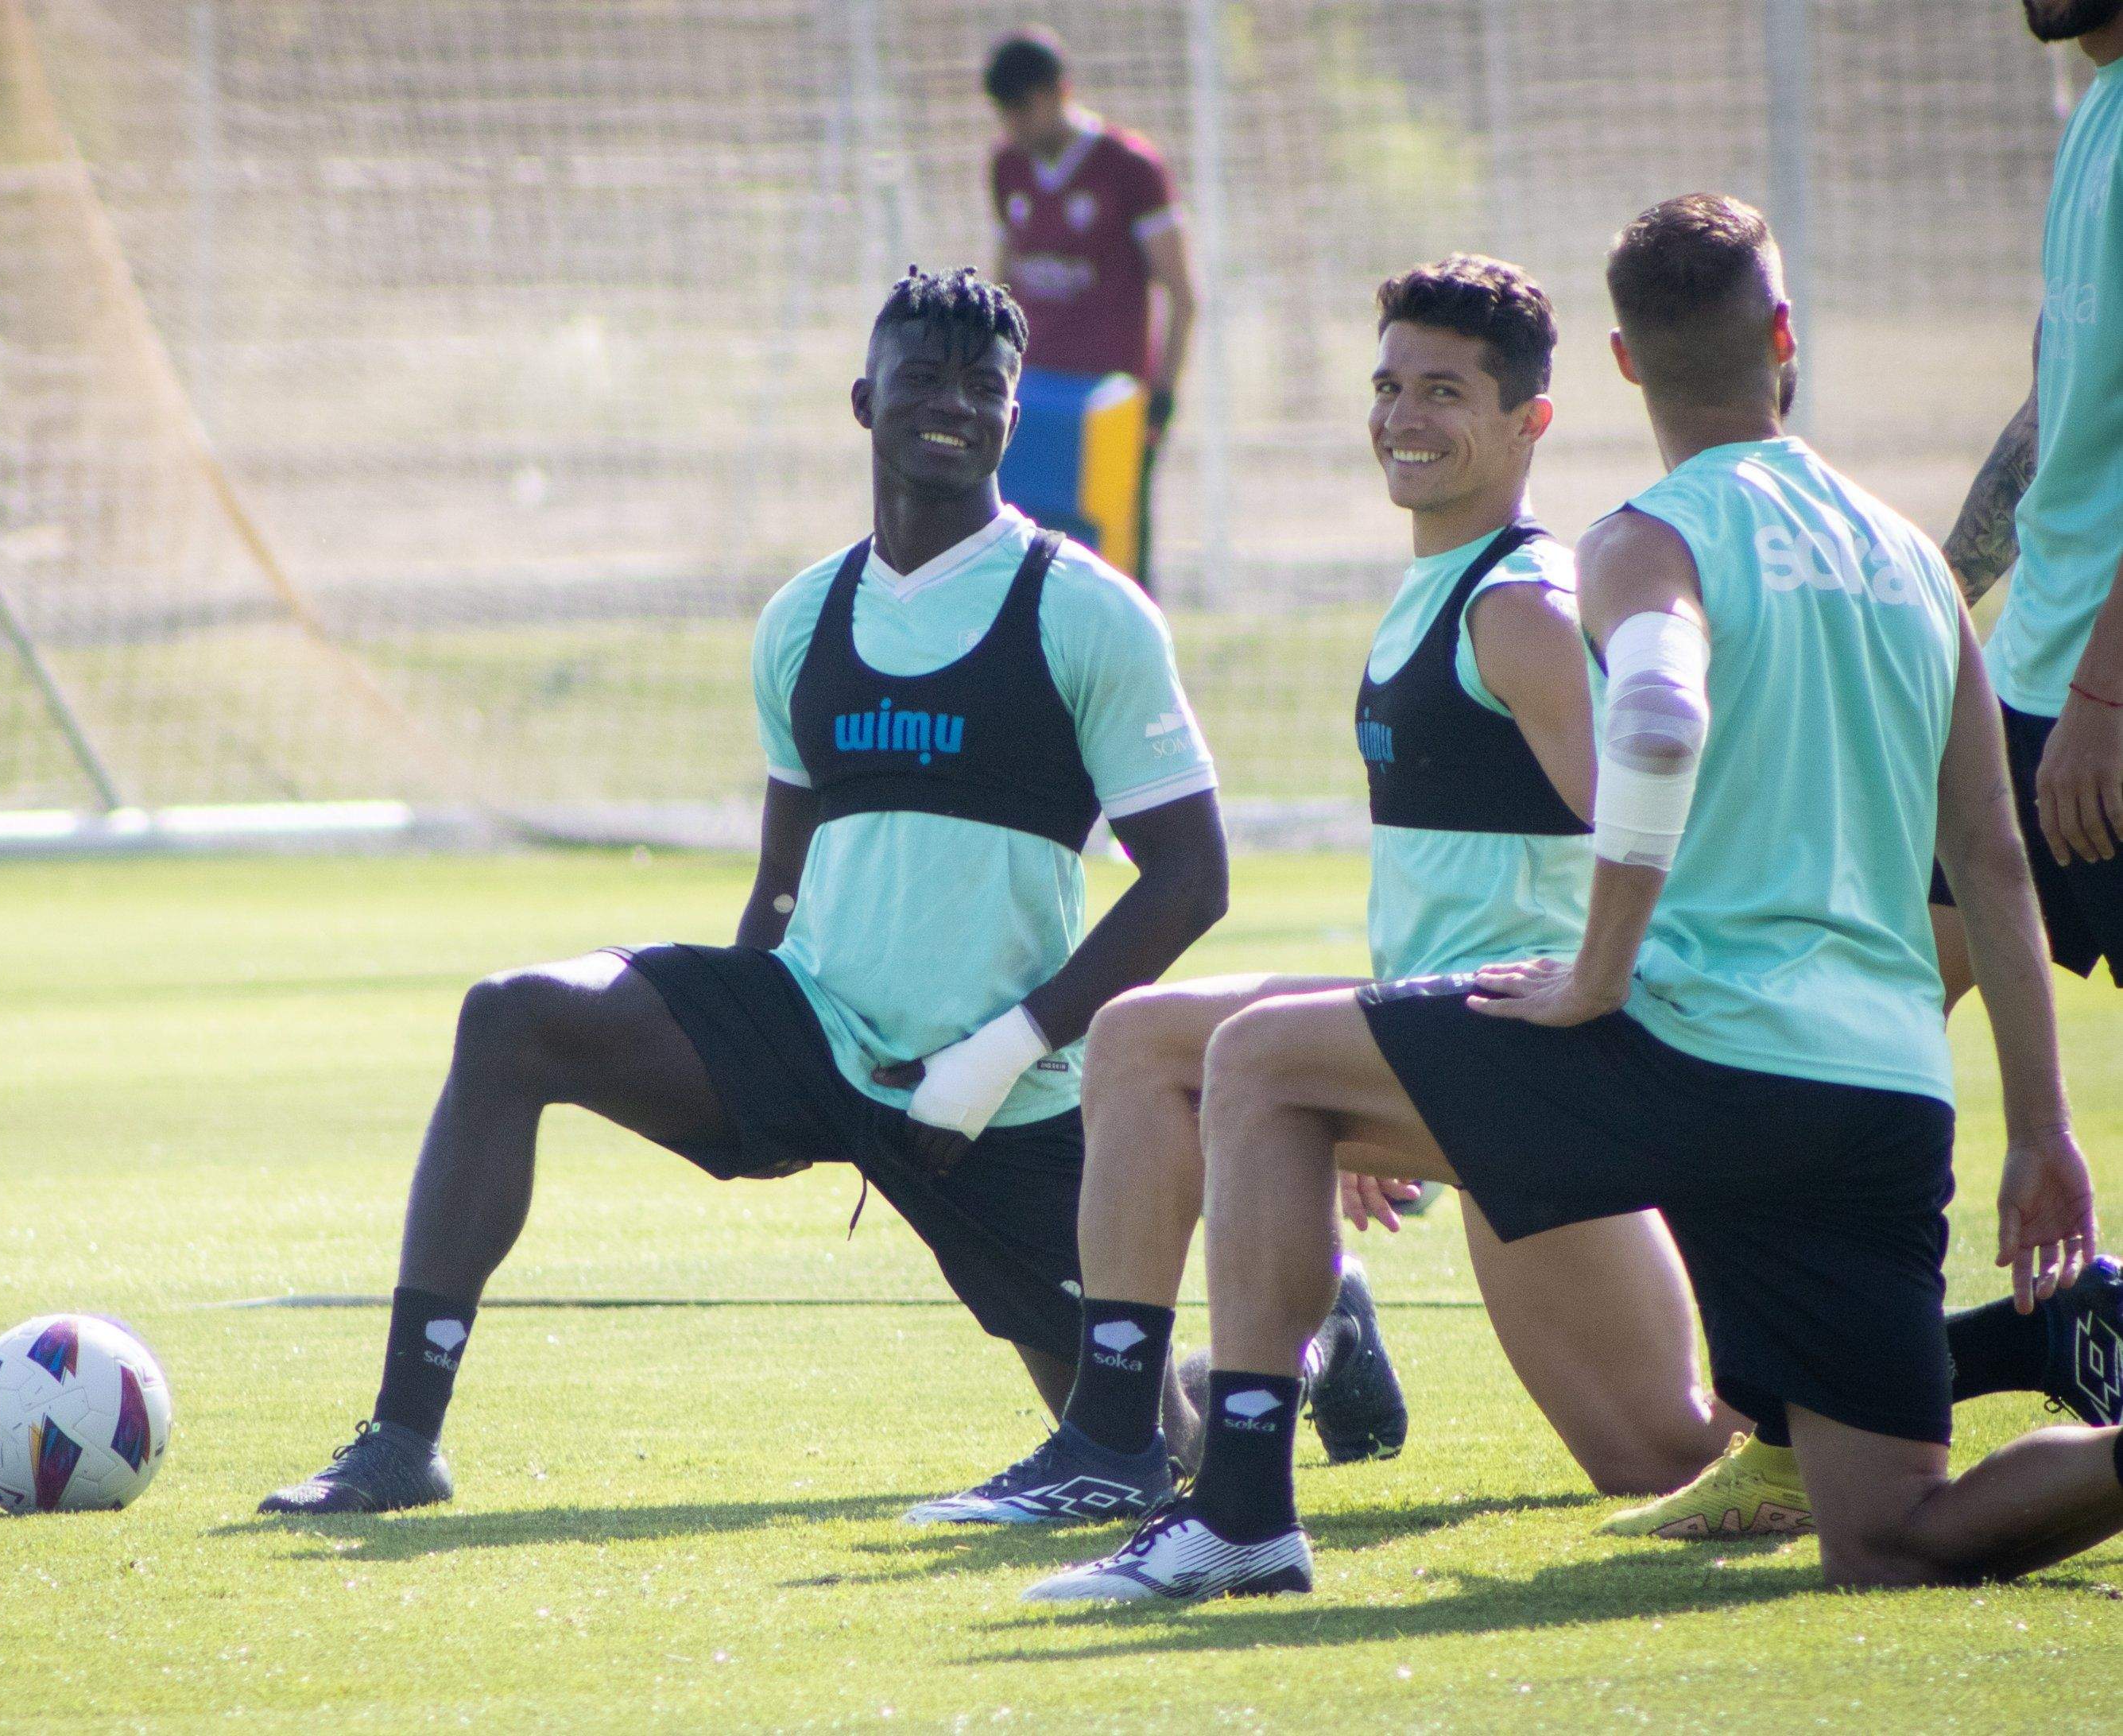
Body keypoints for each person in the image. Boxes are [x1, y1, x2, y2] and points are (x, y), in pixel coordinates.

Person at [1026, 194, 2121, 1604]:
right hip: (1880, 1092)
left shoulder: (1636, 540)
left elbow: (1657, 722)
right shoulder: (1909, 556)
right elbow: (1989, 858)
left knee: (1252, 1058)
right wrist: (2042, 1126)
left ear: (1615, 365)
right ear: (1780, 340)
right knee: (1891, 1532)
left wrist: (1599, 970)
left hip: (1696, 1043)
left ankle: (1236, 1511)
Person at [259, 269, 1233, 1516]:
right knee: (510, 1017)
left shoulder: (1084, 610)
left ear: (1013, 414)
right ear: (862, 400)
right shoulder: (801, 619)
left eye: (982, 387)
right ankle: (402, 1440)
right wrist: (739, 1061)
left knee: (1157, 1447)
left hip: (996, 1092)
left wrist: (1000, 1052)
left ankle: (1315, 1342)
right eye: (920, 379)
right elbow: (783, 877)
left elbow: (1191, 880)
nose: (950, 404)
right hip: (815, 1025)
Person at [908, 253, 1761, 1532]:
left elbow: (1660, 829)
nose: (1403, 418)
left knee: (1671, 1454)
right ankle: (1136, 1430)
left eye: (1445, 393)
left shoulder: (1521, 604)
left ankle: (1121, 1445)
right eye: (1389, 386)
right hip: (1448, 1040)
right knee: (1654, 1457)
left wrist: (1607, 1001)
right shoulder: (1441, 585)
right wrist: (1357, 1077)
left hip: (1533, 1053)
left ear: (1531, 421)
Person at [1621, 0, 2123, 1540]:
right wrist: (1951, 602)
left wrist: (2105, 683)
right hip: (2044, 674)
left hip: (2103, 689)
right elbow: (2064, 413)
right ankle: (1792, 1419)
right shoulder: (2091, 113)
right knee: (1812, 1034)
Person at [985, 27, 1198, 590]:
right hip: (1029, 404)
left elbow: (1181, 292)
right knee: (1022, 565)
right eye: (1005, 113)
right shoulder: (1007, 165)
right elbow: (1002, 283)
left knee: (1114, 569)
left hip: (1108, 404)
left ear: (1060, 92)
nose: (1016, 125)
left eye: (1024, 109)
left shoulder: (1130, 168)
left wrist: (1162, 396)